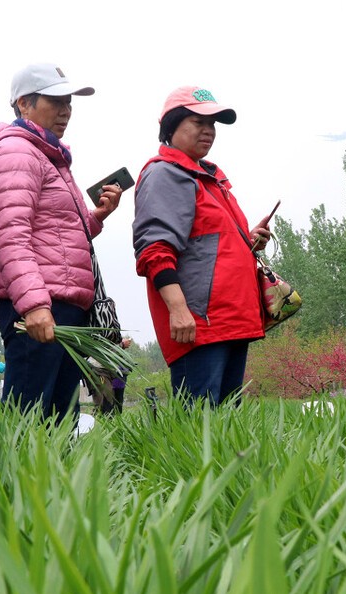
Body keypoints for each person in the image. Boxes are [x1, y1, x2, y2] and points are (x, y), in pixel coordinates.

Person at [0, 63, 122, 423]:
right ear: (24, 103)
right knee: (28, 418)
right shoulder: (17, 151)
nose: (65, 111)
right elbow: (11, 235)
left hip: (61, 303)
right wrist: (34, 306)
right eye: (56, 101)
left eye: (69, 102)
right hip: (41, 305)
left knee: (60, 419)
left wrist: (96, 217)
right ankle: (9, 466)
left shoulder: (48, 155)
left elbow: (56, 236)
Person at [132, 86, 271, 406]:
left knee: (227, 423)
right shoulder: (166, 173)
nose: (208, 130)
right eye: (198, 122)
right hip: (199, 325)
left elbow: (206, 244)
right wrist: (178, 310)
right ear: (171, 126)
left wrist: (248, 241)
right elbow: (154, 249)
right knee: (199, 422)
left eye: (212, 124)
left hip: (231, 320)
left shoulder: (209, 178)